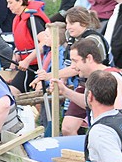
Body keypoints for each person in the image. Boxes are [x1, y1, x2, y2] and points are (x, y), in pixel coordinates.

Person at [35, 7, 110, 135]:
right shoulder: (72, 37)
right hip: (81, 85)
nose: (68, 27)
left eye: (72, 23)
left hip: (99, 85)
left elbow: (76, 68)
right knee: (67, 128)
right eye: (67, 23)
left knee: (98, 126)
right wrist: (61, 80)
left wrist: (49, 76)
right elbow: (69, 63)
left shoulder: (92, 40)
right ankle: (78, 152)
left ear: (84, 24)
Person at [53, 39, 122, 120]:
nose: (72, 66)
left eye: (75, 61)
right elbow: (90, 103)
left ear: (89, 58)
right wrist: (65, 91)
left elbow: (115, 114)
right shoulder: (98, 78)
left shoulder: (110, 78)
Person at [6, 0, 50, 96]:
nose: (8, 6)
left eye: (10, 2)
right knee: (11, 91)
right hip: (25, 63)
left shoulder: (32, 19)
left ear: (20, 1)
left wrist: (27, 60)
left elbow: (45, 42)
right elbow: (21, 43)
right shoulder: (19, 18)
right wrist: (14, 59)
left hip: (38, 65)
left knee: (31, 94)